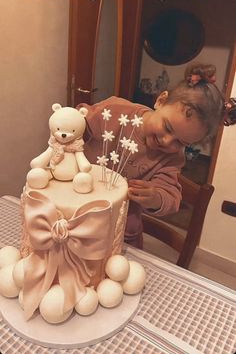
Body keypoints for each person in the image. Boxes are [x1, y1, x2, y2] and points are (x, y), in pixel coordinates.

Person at [77, 63, 225, 248]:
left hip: (122, 233)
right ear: (161, 101)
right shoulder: (116, 110)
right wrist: (75, 123)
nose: (167, 141)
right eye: (168, 127)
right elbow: (77, 121)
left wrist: (156, 197)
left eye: (181, 143)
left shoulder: (172, 158)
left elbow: (171, 196)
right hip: (77, 214)